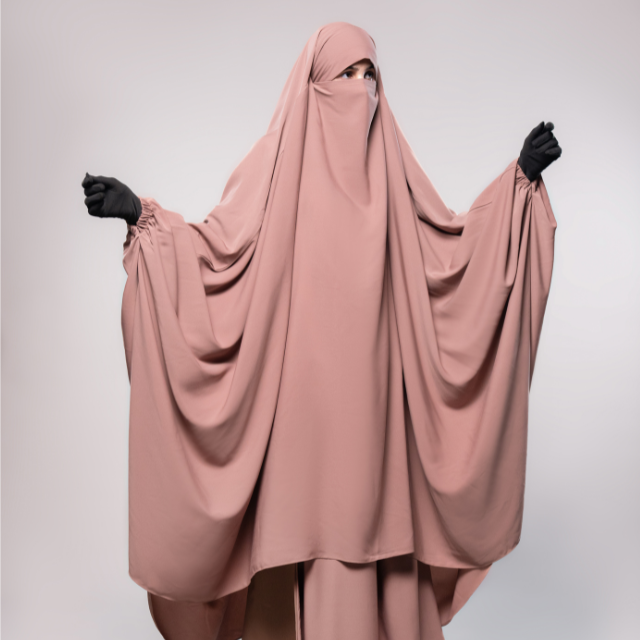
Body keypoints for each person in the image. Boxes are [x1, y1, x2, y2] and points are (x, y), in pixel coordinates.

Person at [81, 22, 561, 640]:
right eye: (344, 75)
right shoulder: (274, 170)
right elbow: (217, 252)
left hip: (378, 413)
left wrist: (520, 182)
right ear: (312, 86)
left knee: (375, 522)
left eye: (370, 77)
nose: (360, 91)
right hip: (298, 412)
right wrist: (140, 215)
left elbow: (454, 257)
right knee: (302, 525)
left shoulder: (395, 175)